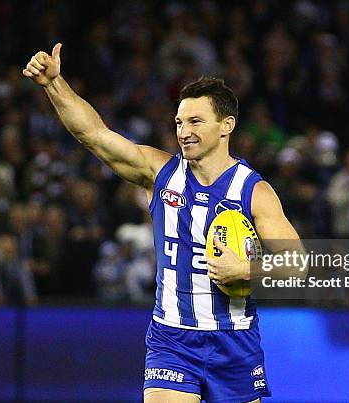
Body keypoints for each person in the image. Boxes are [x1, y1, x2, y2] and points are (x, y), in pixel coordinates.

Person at [23, 43, 303, 403]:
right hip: (172, 338)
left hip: (235, 341)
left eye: (195, 121)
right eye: (179, 123)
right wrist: (54, 84)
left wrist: (246, 270)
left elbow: (297, 264)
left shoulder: (254, 191)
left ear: (226, 126)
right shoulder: (160, 172)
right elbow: (93, 135)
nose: (183, 131)